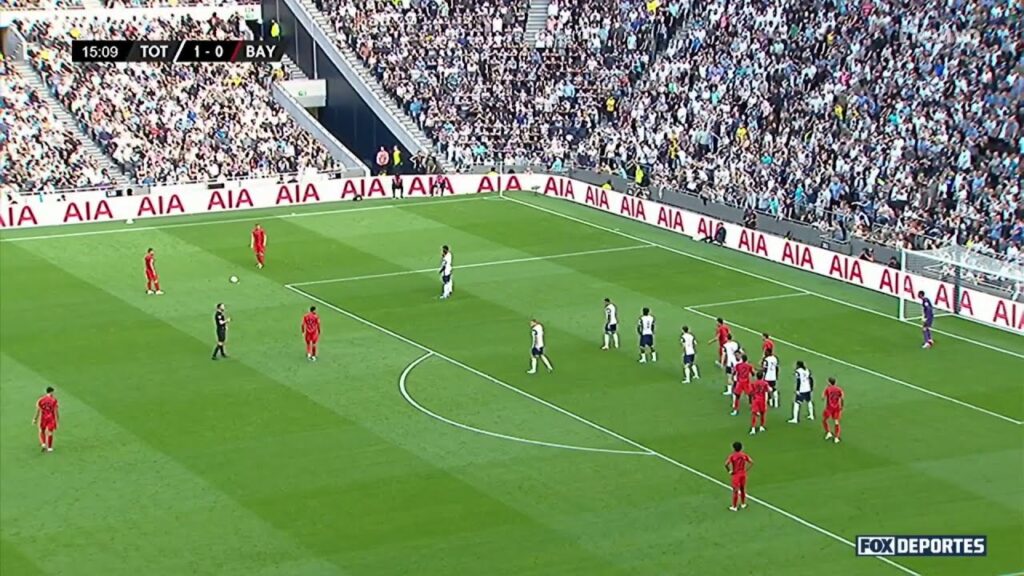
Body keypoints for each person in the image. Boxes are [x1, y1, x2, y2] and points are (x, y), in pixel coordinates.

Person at [725, 441, 753, 511]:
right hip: (743, 474)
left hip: (736, 475)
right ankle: (743, 504)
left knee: (735, 490)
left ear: (733, 448)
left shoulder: (732, 456)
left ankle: (734, 506)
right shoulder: (744, 455)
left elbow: (726, 464)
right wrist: (746, 470)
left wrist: (729, 471)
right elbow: (751, 462)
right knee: (742, 489)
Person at [33, 386, 59, 453]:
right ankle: (50, 448)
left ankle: (44, 444)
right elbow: (56, 411)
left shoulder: (41, 400)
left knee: (42, 430)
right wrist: (57, 420)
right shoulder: (54, 400)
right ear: (51, 392)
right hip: (51, 418)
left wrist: (35, 419)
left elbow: (38, 410)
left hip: (43, 417)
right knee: (50, 432)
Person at [822, 377, 844, 443]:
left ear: (829, 382)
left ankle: (828, 432)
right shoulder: (839, 389)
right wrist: (842, 406)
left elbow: (822, 397)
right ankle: (836, 437)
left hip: (829, 408)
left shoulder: (827, 389)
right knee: (836, 422)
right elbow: (842, 398)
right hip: (837, 408)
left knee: (825, 420)